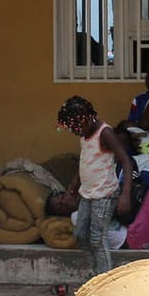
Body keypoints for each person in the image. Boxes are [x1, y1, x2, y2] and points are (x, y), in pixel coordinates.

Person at [57, 96, 134, 278]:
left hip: (105, 194)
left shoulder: (105, 133)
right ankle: (97, 269)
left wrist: (125, 194)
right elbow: (85, 164)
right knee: (80, 234)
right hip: (88, 194)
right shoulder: (84, 134)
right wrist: (72, 190)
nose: (76, 132)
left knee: (97, 238)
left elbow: (126, 161)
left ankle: (104, 279)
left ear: (87, 118)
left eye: (77, 128)